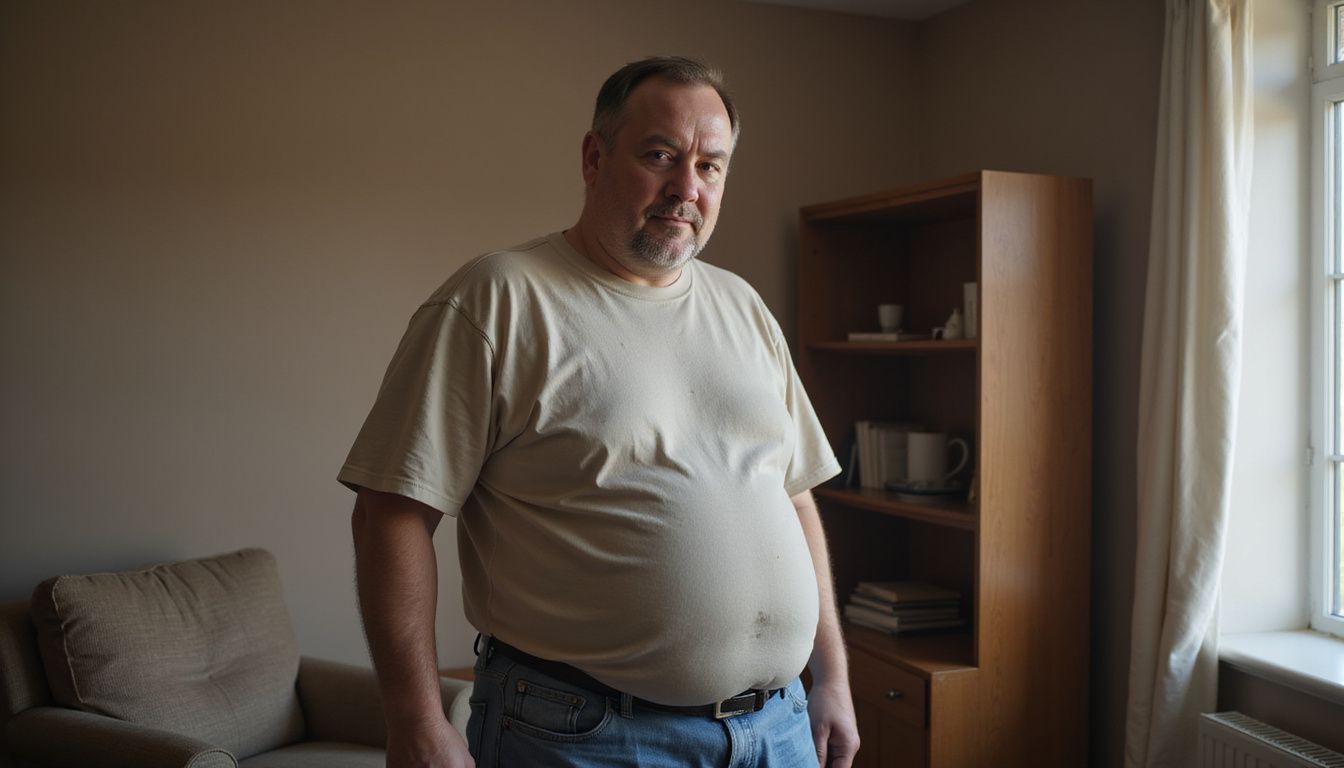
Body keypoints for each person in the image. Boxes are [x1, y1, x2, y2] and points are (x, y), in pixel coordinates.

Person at [341, 56, 859, 768]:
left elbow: (793, 494)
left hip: (777, 729)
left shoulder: (742, 306)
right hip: (584, 736)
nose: (687, 188)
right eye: (660, 156)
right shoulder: (498, 299)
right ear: (594, 156)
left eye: (711, 166)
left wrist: (832, 678)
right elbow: (391, 512)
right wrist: (414, 718)